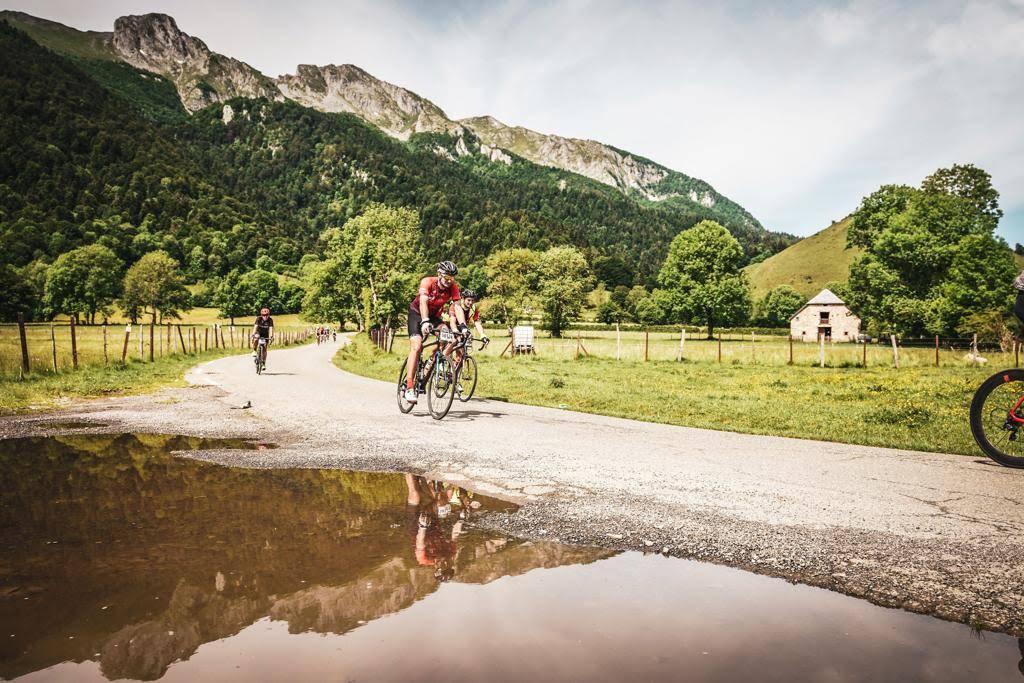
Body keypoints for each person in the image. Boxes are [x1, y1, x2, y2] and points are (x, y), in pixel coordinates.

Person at [403, 261, 468, 404]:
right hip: (417, 314)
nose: (449, 281)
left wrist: (463, 326)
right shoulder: (427, 282)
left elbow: (457, 307)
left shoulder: (453, 287)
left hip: (434, 317)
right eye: (446, 278)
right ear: (439, 274)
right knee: (417, 346)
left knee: (448, 336)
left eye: (452, 279)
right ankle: (409, 386)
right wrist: (425, 321)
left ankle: (432, 361)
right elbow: (423, 302)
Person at [443, 288, 490, 364]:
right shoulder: (455, 305)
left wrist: (482, 335)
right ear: (463, 299)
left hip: (462, 328)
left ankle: (454, 373)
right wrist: (455, 331)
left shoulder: (474, 308)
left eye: (472, 300)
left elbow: (477, 322)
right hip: (448, 325)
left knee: (461, 353)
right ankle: (442, 359)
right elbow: (452, 321)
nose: (470, 302)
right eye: (468, 300)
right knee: (451, 343)